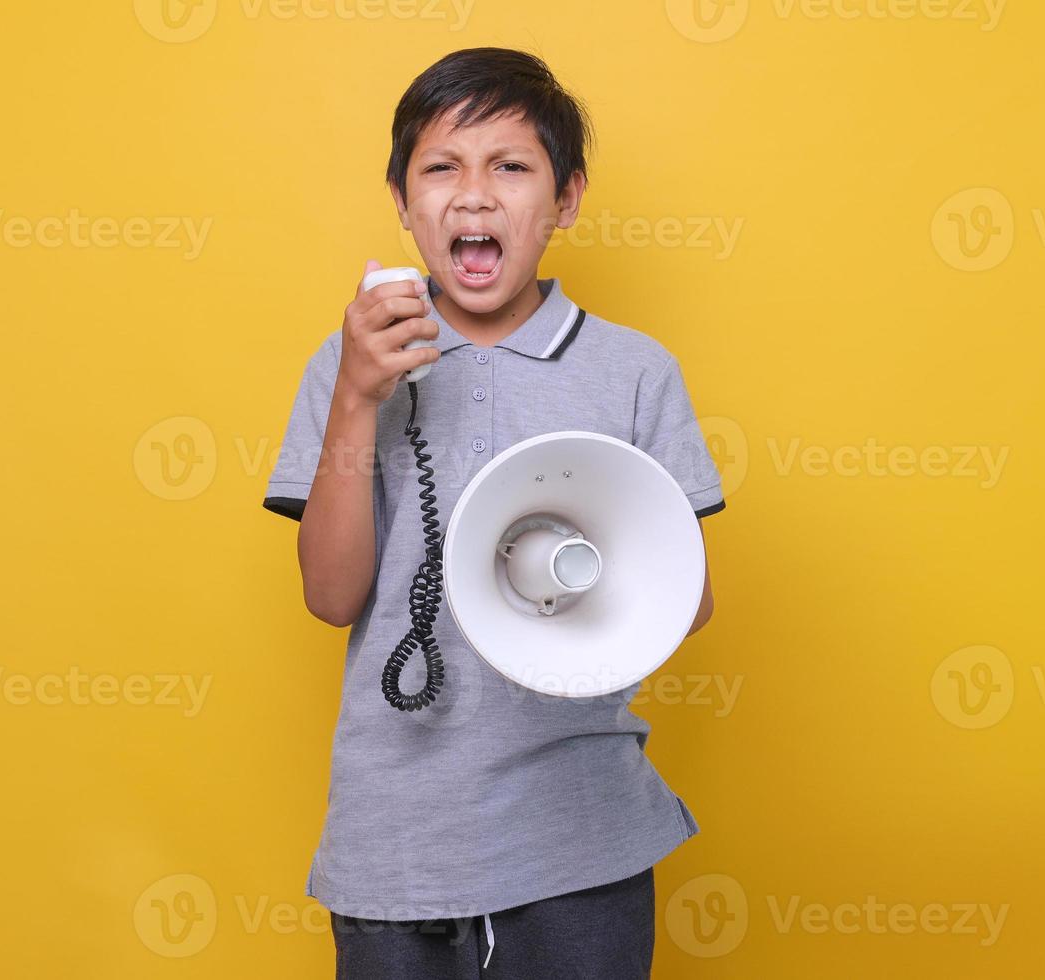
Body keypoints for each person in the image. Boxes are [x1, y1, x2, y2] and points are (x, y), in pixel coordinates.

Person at [263, 46, 726, 979]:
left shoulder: (633, 371)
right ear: (402, 201)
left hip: (581, 841)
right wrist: (359, 397)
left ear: (567, 199)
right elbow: (330, 593)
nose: (474, 195)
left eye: (511, 166)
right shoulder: (352, 362)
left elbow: (693, 601)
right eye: (441, 167)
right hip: (397, 843)